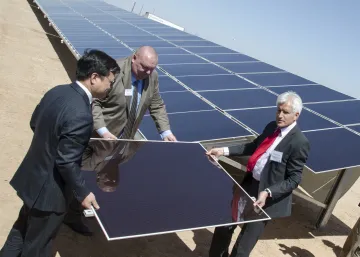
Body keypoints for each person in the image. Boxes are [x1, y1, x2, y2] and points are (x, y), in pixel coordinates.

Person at [0, 49, 120, 257]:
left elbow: (34, 122)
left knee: (20, 230)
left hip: (32, 180)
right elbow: (66, 161)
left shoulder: (57, 91)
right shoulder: (82, 114)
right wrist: (83, 192)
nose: (111, 86)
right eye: (110, 81)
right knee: (37, 246)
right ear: (94, 78)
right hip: (50, 195)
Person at [206, 91, 310, 257]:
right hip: (248, 186)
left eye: (285, 112)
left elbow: (294, 179)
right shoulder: (271, 127)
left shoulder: (299, 142)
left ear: (296, 115)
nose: (280, 115)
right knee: (224, 227)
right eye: (278, 110)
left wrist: (269, 192)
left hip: (265, 200)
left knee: (243, 247)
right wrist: (224, 151)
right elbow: (254, 146)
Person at [92, 45, 177, 141]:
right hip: (99, 139)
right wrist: (103, 131)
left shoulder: (152, 76)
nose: (148, 72)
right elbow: (94, 101)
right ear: (134, 58)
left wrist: (165, 132)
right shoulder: (113, 71)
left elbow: (156, 105)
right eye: (145, 67)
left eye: (152, 68)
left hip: (126, 141)